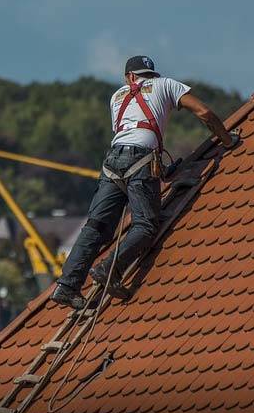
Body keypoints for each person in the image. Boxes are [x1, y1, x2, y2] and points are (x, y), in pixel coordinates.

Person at [50, 55, 235, 309]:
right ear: (150, 74)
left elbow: (129, 131)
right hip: (141, 159)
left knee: (97, 226)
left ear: (129, 77)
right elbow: (204, 112)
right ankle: (109, 269)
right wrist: (227, 140)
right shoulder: (166, 84)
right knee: (146, 225)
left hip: (113, 162)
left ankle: (67, 285)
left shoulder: (116, 97)